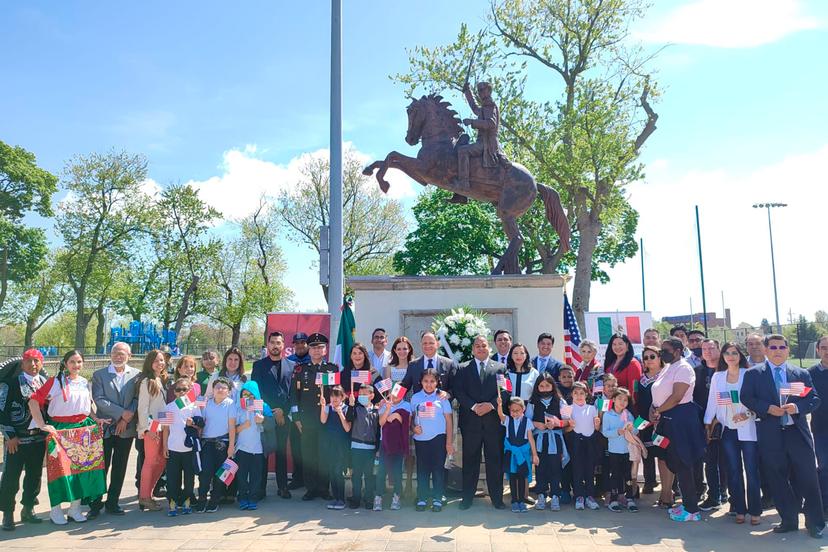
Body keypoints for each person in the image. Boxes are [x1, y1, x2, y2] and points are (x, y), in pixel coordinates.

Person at [741, 334, 824, 539]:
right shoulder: (753, 375)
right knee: (777, 478)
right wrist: (767, 408)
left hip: (797, 433)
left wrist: (797, 407)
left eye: (782, 347)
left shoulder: (800, 373)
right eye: (773, 347)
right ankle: (788, 520)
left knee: (808, 478)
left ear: (787, 350)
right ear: (767, 350)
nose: (777, 350)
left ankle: (815, 523)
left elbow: (813, 399)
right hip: (771, 435)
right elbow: (746, 397)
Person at [29, 350, 107, 525]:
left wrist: (96, 419)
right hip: (60, 431)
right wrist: (42, 425)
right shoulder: (54, 382)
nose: (76, 365)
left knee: (81, 471)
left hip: (83, 430)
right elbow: (33, 401)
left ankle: (75, 508)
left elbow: (87, 406)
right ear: (65, 363)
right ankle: (55, 510)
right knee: (59, 472)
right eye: (72, 361)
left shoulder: (85, 382)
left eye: (79, 362)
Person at [649, 337, 706, 522]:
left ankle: (691, 509)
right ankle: (687, 503)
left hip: (681, 418)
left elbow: (676, 396)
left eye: (666, 350)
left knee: (683, 462)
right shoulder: (667, 367)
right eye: (661, 349)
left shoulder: (684, 368)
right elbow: (659, 393)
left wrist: (658, 409)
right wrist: (654, 408)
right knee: (674, 460)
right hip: (667, 418)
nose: (662, 353)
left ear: (678, 350)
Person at [706, 342, 760, 525]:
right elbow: (712, 401)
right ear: (722, 356)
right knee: (734, 470)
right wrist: (708, 423)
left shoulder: (749, 374)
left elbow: (756, 399)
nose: (731, 356)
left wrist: (748, 413)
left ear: (740, 356)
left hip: (749, 428)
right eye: (727, 353)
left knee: (752, 470)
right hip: (728, 429)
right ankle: (739, 508)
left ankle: (755, 510)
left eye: (735, 353)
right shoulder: (718, 377)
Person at [454, 335, 507, 510]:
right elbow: (459, 392)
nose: (481, 348)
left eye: (483, 345)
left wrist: (491, 405)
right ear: (472, 350)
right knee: (470, 461)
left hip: (493, 423)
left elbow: (505, 392)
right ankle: (467, 497)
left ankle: (497, 498)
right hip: (471, 422)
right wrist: (474, 406)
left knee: (495, 461)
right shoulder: (462, 368)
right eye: (477, 346)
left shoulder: (500, 368)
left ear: (489, 347)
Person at [90, 341, 140, 518]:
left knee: (120, 467)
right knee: (101, 467)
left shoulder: (137, 375)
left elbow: (137, 398)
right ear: (110, 354)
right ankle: (95, 504)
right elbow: (99, 398)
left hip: (126, 428)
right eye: (115, 353)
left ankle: (113, 502)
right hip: (106, 427)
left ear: (129, 356)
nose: (118, 356)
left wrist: (127, 417)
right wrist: (121, 414)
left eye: (122, 353)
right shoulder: (99, 375)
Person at [0, 350, 48, 530]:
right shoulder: (10, 383)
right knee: (11, 477)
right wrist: (10, 436)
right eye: (29, 361)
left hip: (38, 439)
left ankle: (28, 508)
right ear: (22, 364)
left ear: (41, 364)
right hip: (16, 440)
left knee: (34, 475)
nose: (33, 365)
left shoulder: (44, 383)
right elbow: (2, 411)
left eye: (37, 361)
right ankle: (7, 513)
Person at [290, 332, 338, 501]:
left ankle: (324, 489)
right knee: (309, 454)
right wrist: (296, 417)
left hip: (327, 419)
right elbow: (294, 395)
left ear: (325, 350)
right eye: (313, 347)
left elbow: (337, 393)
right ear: (309, 350)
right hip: (307, 420)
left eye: (320, 347)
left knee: (324, 455)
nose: (317, 350)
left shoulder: (332, 369)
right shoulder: (300, 370)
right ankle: (311, 488)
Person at [250, 331, 294, 499]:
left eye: (279, 343)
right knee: (264, 453)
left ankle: (283, 487)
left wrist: (283, 410)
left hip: (283, 416)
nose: (275, 346)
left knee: (281, 453)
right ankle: (260, 488)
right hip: (265, 416)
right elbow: (255, 392)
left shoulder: (291, 365)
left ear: (283, 346)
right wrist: (269, 412)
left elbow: (292, 393)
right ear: (268, 345)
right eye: (273, 342)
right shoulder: (259, 366)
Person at [454, 81, 506, 201]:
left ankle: (463, 187)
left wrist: (472, 122)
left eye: (483, 90)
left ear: (489, 90)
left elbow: (491, 123)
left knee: (463, 151)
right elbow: (475, 108)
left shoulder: (490, 105)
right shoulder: (484, 106)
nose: (481, 92)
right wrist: (468, 91)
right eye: (479, 91)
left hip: (487, 144)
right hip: (483, 142)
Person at [410, 368, 453, 512]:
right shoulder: (415, 397)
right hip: (421, 439)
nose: (429, 384)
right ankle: (422, 497)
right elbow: (411, 418)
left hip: (439, 439)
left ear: (437, 382)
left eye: (432, 381)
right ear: (421, 382)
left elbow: (449, 421)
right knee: (422, 469)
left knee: (438, 470)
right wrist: (413, 427)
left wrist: (448, 442)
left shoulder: (442, 398)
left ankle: (437, 497)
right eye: (426, 381)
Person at [162, 377, 203, 516]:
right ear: (174, 391)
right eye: (178, 390)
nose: (181, 392)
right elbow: (165, 429)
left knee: (189, 478)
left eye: (184, 389)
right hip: (173, 448)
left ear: (189, 390)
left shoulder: (194, 406)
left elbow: (201, 425)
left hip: (189, 449)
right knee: (173, 478)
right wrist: (164, 447)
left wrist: (194, 423)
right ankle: (173, 503)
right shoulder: (168, 406)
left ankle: (187, 501)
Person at [696, 338, 728, 511]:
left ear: (719, 349)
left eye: (711, 348)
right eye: (704, 348)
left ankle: (723, 492)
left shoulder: (727, 370)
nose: (707, 351)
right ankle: (713, 495)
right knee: (710, 460)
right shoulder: (697, 371)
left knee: (725, 460)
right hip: (705, 422)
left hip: (725, 421)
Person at [196, 377, 236, 513]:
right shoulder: (206, 403)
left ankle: (214, 500)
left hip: (223, 444)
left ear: (229, 391)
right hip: (207, 444)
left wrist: (231, 446)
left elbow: (232, 427)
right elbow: (201, 424)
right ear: (212, 390)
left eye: (224, 387)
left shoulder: (231, 404)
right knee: (205, 473)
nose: (220, 390)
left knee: (220, 475)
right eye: (217, 387)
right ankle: (201, 499)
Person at [136, 350, 169, 512]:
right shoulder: (146, 382)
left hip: (163, 426)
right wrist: (147, 429)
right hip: (152, 428)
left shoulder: (161, 379)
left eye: (162, 360)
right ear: (149, 362)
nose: (160, 363)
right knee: (150, 462)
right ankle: (144, 497)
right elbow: (143, 408)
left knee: (161, 461)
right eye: (156, 361)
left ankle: (149, 493)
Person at [529, 372, 568, 512]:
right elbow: (526, 420)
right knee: (541, 468)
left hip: (555, 440)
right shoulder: (532, 403)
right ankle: (541, 494)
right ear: (537, 387)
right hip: (540, 440)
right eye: (541, 386)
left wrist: (557, 423)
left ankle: (555, 495)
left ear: (552, 386)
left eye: (547, 385)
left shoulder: (560, 401)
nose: (544, 388)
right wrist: (536, 424)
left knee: (555, 467)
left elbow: (568, 421)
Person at [637, 345, 672, 501]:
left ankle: (670, 488)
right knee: (646, 450)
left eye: (652, 357)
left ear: (659, 358)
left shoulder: (666, 375)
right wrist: (638, 423)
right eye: (646, 357)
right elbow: (638, 401)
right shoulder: (641, 379)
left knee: (664, 454)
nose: (649, 360)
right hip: (644, 420)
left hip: (662, 420)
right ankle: (649, 481)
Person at [496, 394, 539, 513]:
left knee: (522, 477)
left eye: (517, 410)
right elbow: (500, 415)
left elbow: (530, 438)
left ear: (523, 409)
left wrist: (534, 454)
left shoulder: (527, 421)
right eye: (512, 411)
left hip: (523, 454)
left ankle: (521, 501)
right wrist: (499, 405)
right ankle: (514, 501)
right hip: (511, 454)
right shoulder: (508, 420)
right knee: (513, 478)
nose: (515, 413)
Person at [234, 380, 272, 511]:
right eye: (244, 394)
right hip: (242, 448)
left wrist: (264, 420)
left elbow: (272, 425)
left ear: (256, 395)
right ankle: (243, 497)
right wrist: (242, 426)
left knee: (256, 476)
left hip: (258, 449)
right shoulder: (237, 408)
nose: (248, 397)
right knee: (242, 475)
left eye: (251, 395)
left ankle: (253, 497)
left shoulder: (263, 406)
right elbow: (232, 429)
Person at [600, 388, 640, 512]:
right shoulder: (608, 415)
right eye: (620, 399)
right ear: (613, 400)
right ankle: (614, 499)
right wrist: (617, 431)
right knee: (615, 474)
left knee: (628, 474)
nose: (622, 402)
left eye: (625, 400)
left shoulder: (628, 414)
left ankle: (629, 498)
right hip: (614, 450)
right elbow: (605, 432)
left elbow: (636, 431)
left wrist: (631, 429)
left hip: (627, 450)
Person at [374, 384, 412, 511]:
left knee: (397, 472)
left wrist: (397, 416)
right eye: (393, 393)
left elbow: (407, 423)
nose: (395, 396)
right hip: (384, 442)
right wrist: (387, 409)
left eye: (398, 393)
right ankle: (378, 497)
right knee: (381, 471)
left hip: (398, 443)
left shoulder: (407, 405)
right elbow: (381, 423)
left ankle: (396, 497)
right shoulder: (384, 404)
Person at [346, 384, 380, 510]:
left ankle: (369, 499)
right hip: (356, 447)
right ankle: (356, 498)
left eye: (365, 394)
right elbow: (348, 418)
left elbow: (379, 431)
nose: (362, 397)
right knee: (356, 476)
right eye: (360, 394)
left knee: (370, 476)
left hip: (370, 449)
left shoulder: (377, 411)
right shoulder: (356, 408)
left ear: (372, 395)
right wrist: (351, 405)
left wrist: (378, 448)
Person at [568, 382, 600, 511]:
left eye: (582, 393)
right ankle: (579, 496)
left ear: (587, 394)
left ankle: (590, 496)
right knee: (577, 470)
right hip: (576, 441)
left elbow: (596, 428)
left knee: (589, 470)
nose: (579, 396)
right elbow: (566, 429)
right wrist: (569, 425)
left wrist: (597, 424)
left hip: (590, 441)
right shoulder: (568, 408)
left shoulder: (592, 409)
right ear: (571, 395)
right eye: (575, 393)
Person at [319, 386, 350, 510]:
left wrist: (340, 412)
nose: (334, 398)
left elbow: (347, 428)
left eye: (337, 395)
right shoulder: (328, 407)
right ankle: (335, 498)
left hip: (341, 445)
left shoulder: (347, 408)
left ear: (342, 397)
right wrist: (322, 406)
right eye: (332, 396)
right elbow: (323, 420)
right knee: (332, 471)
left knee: (338, 471)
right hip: (330, 444)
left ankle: (341, 499)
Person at [286, 332, 310, 490]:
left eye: (303, 342)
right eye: (297, 343)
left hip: (310, 411)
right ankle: (297, 477)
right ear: (293, 345)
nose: (300, 345)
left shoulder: (313, 361)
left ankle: (310, 479)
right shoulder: (288, 362)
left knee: (309, 448)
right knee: (295, 447)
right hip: (292, 411)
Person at [401, 332, 455, 396]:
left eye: (431, 343)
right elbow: (405, 385)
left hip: (442, 404)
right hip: (420, 404)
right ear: (421, 345)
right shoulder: (413, 365)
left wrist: (448, 394)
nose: (428, 346)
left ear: (437, 344)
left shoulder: (449, 364)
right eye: (425, 343)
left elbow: (455, 387)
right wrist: (394, 396)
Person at [809, 336, 828, 518]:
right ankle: (824, 505)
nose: (827, 351)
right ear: (818, 350)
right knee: (824, 466)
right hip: (822, 429)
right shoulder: (810, 373)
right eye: (824, 347)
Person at [603, 333, 643, 411]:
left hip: (624, 409)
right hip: (608, 406)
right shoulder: (609, 364)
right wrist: (603, 412)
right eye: (614, 344)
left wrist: (624, 411)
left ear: (627, 346)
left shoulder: (633, 364)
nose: (617, 347)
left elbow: (634, 392)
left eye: (620, 344)